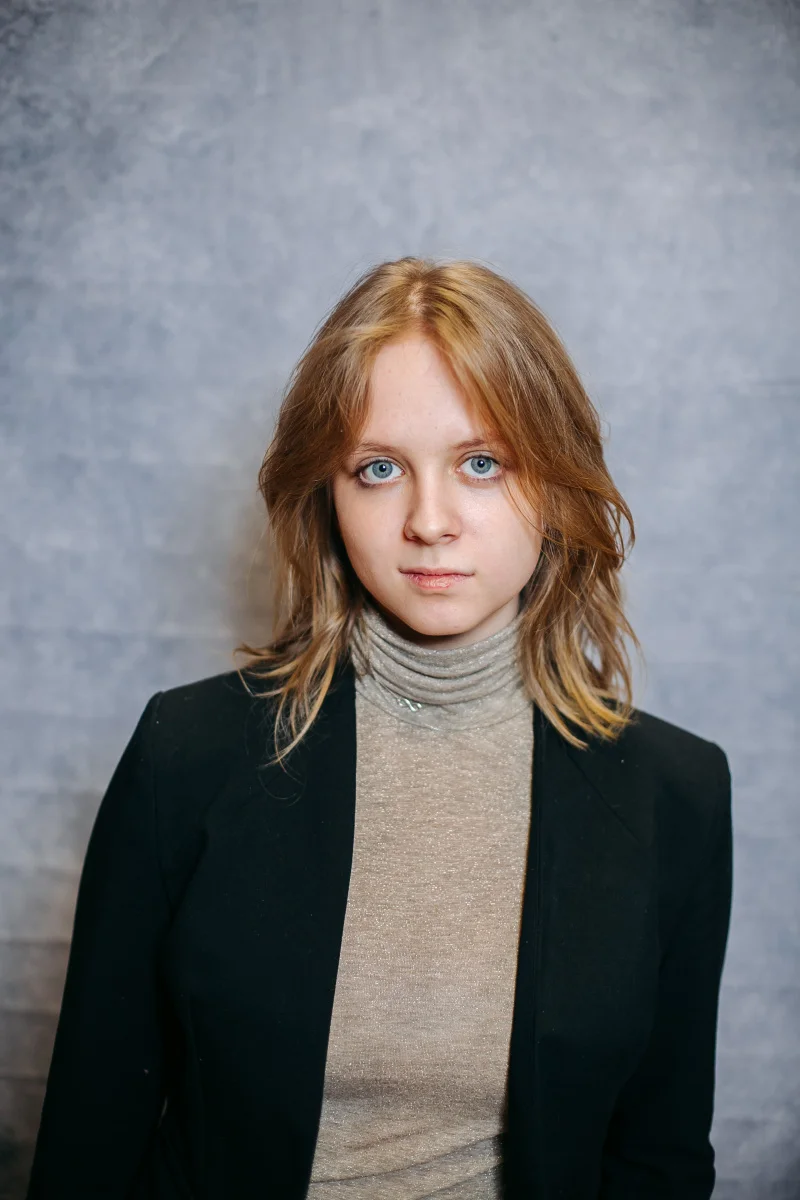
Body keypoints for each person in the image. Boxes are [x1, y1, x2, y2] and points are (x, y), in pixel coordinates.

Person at [25, 257, 733, 1200]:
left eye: (482, 463)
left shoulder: (676, 794)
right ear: (327, 492)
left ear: (558, 481)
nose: (429, 522)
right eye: (379, 469)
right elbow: (89, 1134)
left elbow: (660, 1159)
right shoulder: (184, 754)